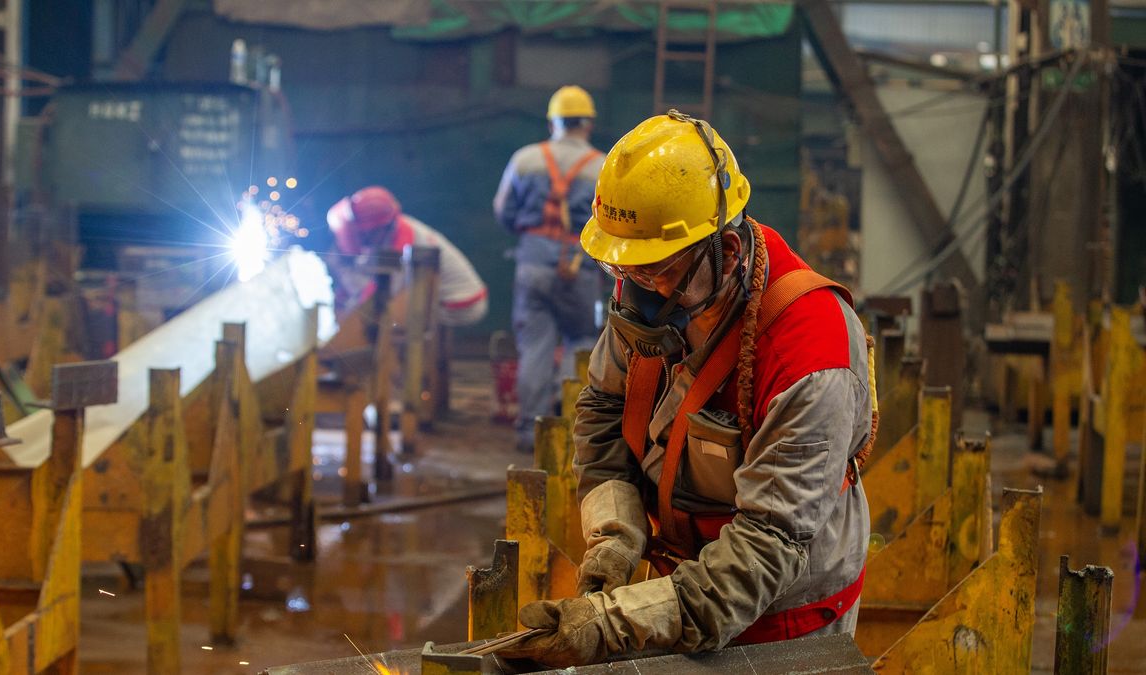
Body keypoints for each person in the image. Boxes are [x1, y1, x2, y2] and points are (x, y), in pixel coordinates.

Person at [499, 111, 876, 666]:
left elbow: (770, 545)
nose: (638, 291)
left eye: (657, 272)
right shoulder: (656, 291)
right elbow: (603, 407)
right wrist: (616, 535)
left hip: (785, 613)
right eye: (623, 269)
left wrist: (617, 623)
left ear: (725, 252)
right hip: (681, 588)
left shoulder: (810, 350)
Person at [493, 85, 606, 453]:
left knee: (535, 348)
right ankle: (574, 433)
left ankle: (530, 433)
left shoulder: (525, 160)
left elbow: (504, 211)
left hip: (533, 265)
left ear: (552, 122)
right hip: (581, 268)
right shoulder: (603, 166)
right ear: (587, 124)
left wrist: (534, 239)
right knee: (582, 344)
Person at [326, 185, 488, 327]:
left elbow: (379, 295)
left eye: (362, 233)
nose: (359, 237)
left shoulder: (406, 246)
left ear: (378, 229)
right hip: (450, 300)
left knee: (385, 315)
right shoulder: (395, 229)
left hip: (462, 305)